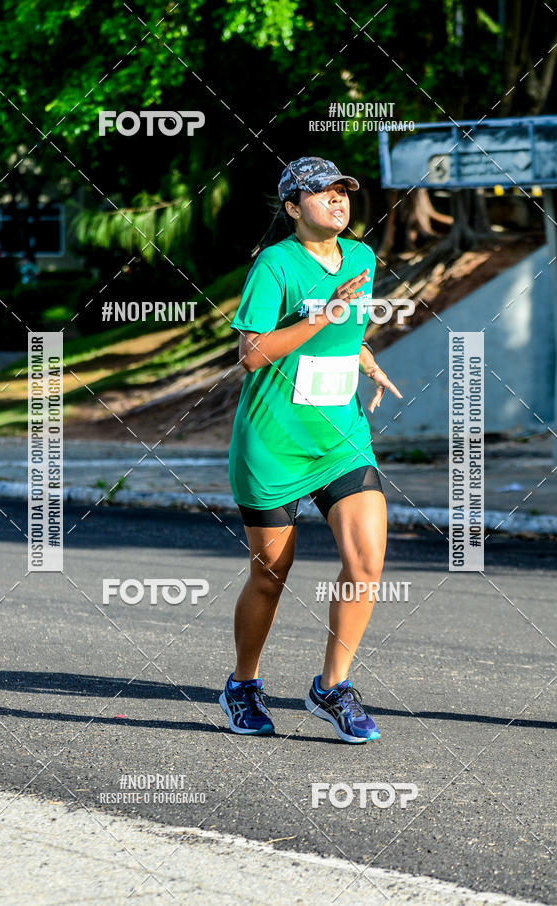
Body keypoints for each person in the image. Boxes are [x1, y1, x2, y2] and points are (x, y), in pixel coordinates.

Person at [219, 156, 402, 744]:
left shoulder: (362, 258)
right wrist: (323, 316)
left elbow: (350, 330)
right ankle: (243, 684)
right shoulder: (275, 264)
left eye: (343, 191)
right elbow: (251, 354)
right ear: (294, 208)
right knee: (271, 573)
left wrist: (365, 360)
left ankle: (332, 686)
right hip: (273, 442)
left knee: (366, 563)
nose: (338, 200)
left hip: (340, 438)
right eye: (322, 193)